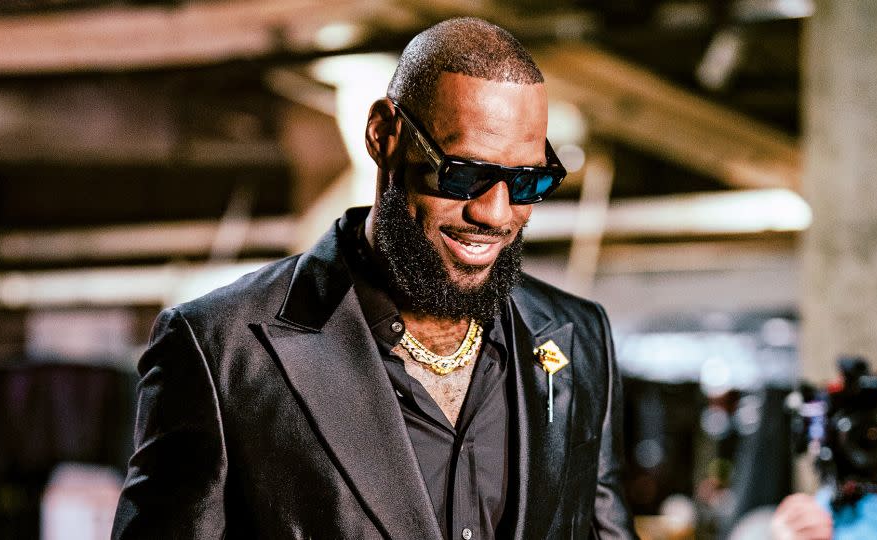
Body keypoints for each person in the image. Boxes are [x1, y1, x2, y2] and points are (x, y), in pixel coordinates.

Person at [112, 17, 636, 540]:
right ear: (385, 137)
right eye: (464, 174)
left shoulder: (577, 335)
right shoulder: (220, 352)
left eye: (527, 181)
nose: (496, 214)